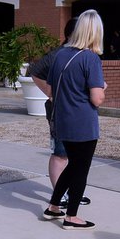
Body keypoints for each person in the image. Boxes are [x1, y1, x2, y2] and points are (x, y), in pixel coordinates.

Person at [42, 10, 105, 230]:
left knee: (72, 166)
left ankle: (53, 206)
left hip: (62, 120)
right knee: (80, 170)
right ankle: (72, 216)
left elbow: (50, 90)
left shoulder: (60, 55)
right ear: (96, 32)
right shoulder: (91, 58)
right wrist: (102, 90)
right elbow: (96, 99)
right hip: (83, 123)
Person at [30, 16, 90, 209]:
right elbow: (35, 70)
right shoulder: (59, 54)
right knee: (61, 152)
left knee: (75, 155)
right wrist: (51, 93)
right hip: (60, 112)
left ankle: (73, 192)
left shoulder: (83, 54)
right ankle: (59, 193)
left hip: (78, 112)